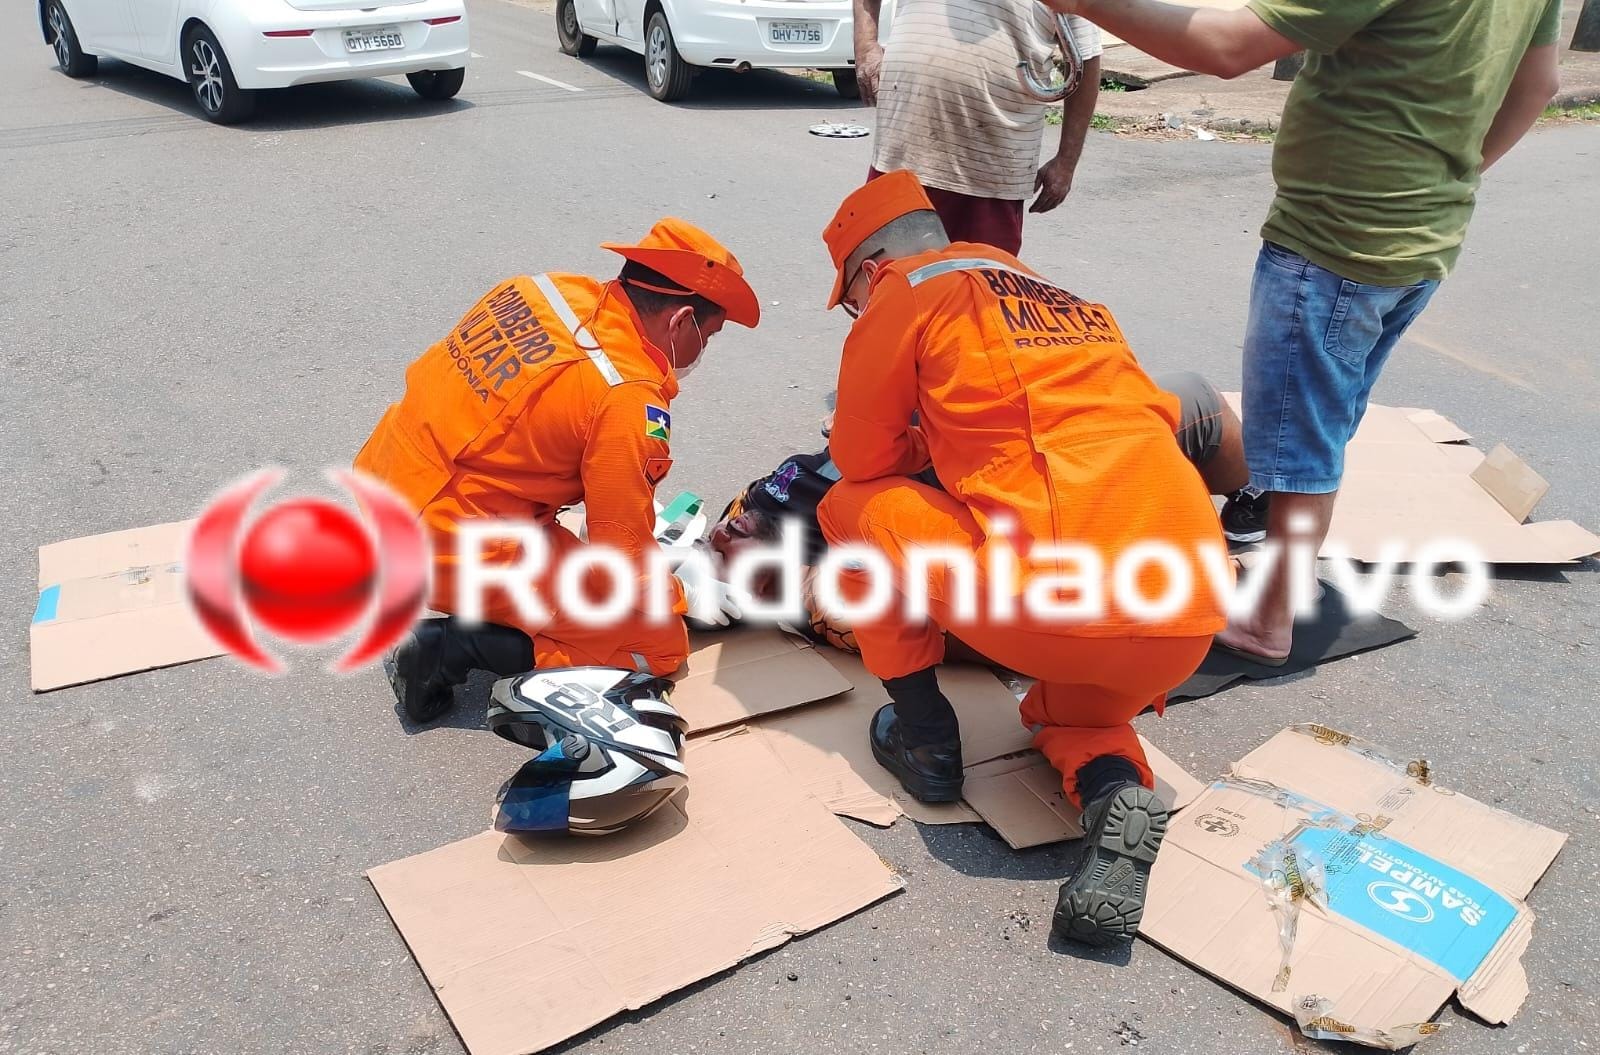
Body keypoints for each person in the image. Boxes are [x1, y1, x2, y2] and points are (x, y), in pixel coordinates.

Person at [1040, 0, 1564, 664]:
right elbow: (1539, 85)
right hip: (1423, 235)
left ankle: (1267, 620)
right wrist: (1445, 176)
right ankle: (1280, 583)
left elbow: (1226, 48)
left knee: (1301, 442)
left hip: (1334, 241)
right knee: (1324, 419)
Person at [817, 171, 1227, 945]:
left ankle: (926, 737)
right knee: (1065, 710)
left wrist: (920, 442)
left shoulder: (905, 290)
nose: (856, 311)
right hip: (1186, 613)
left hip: (1056, 606)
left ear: (871, 271)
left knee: (848, 508)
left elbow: (860, 456)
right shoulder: (1056, 294)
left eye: (850, 299)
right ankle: (1113, 796)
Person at [354, 219, 759, 722]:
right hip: (450, 540)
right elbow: (621, 555)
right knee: (656, 647)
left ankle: (498, 611)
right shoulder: (627, 396)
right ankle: (451, 650)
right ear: (680, 322)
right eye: (709, 334)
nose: (704, 351)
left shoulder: (538, 290)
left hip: (388, 482)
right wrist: (682, 594)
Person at [707, 370, 1248, 653]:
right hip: (1037, 465)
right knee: (1195, 404)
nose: (721, 538)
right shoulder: (827, 592)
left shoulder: (751, 510)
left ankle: (1248, 505)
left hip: (987, 423)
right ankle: (1234, 529)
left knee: (1192, 404)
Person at [852, 0, 1104, 254]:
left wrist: (1066, 162)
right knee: (885, 280)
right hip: (900, 156)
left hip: (992, 170)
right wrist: (866, 45)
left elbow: (1086, 59)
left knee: (977, 284)